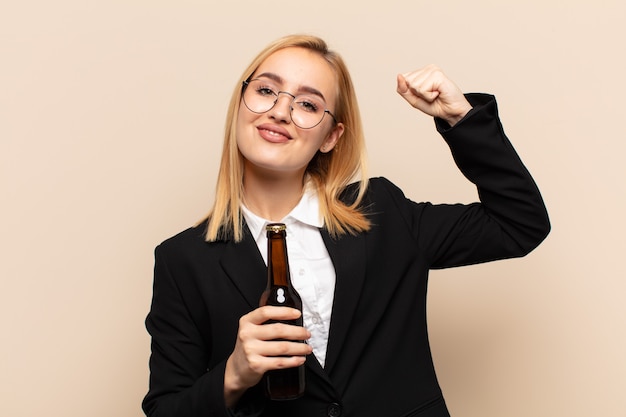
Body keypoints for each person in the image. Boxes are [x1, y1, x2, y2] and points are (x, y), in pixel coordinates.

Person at [142, 34, 550, 417]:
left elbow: (519, 222)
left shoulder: (384, 213)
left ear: (330, 137)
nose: (280, 111)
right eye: (266, 90)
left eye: (308, 104)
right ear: (240, 105)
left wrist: (460, 117)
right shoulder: (183, 260)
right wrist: (234, 375)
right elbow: (167, 409)